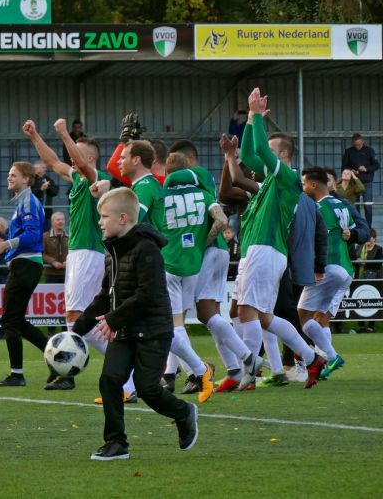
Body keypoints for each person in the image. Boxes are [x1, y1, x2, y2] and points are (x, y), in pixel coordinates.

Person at [73, 188, 198, 460]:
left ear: (122, 218)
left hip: (154, 331)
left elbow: (148, 293)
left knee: (147, 389)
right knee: (109, 380)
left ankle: (183, 412)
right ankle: (116, 443)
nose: (100, 222)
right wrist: (76, 331)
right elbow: (105, 297)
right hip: (126, 331)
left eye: (104, 216)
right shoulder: (112, 253)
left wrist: (113, 319)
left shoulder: (147, 248)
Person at [234, 87, 325, 389]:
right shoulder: (272, 180)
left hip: (266, 249)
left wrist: (257, 117)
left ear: (283, 155)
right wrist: (250, 119)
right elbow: (249, 153)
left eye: (272, 152)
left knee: (250, 311)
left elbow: (258, 149)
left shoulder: (287, 177)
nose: (264, 157)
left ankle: (250, 372)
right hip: (265, 251)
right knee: (260, 315)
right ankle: (309, 359)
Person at [24, 118, 111, 391]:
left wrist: (64, 134)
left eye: (77, 150)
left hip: (88, 253)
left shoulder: (96, 178)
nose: (72, 157)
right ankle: (125, 364)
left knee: (75, 315)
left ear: (91, 158)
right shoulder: (77, 178)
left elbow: (78, 163)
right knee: (82, 316)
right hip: (81, 254)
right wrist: (35, 137)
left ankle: (69, 373)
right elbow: (53, 163)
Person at [164, 140, 257, 395]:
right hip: (217, 250)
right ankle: (234, 369)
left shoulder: (195, 176)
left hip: (207, 248)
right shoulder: (203, 180)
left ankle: (245, 358)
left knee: (193, 314)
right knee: (204, 313)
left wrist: (197, 245)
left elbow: (215, 215)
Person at [0, 162, 47, 387]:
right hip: (25, 264)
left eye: (13, 175)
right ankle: (58, 356)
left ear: (26, 179)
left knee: (9, 319)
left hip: (26, 265)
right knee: (17, 320)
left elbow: (32, 234)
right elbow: (26, 236)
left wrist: (6, 244)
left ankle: (17, 374)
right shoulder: (23, 203)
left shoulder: (28, 202)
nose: (9, 178)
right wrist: (0, 245)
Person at [298, 167, 355, 380]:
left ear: (313, 185)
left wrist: (317, 268)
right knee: (320, 317)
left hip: (329, 268)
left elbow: (319, 238)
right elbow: (348, 231)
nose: (303, 188)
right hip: (346, 269)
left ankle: (330, 356)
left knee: (302, 317)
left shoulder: (318, 208)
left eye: (304, 184)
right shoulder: (342, 204)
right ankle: (328, 358)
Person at [341, 133, 379, 224]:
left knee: (368, 205)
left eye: (359, 144)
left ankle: (368, 227)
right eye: (356, 145)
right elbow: (344, 167)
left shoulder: (369, 151)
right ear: (353, 143)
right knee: (354, 205)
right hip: (353, 182)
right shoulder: (349, 152)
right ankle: (358, 225)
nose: (358, 146)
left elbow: (376, 165)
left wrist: (366, 169)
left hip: (367, 182)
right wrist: (351, 171)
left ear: (363, 142)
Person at [351, 228, 382, 332]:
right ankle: (360, 325)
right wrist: (357, 261)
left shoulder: (379, 249)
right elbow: (354, 258)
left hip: (373, 279)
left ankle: (370, 326)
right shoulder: (359, 247)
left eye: (370, 239)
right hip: (359, 278)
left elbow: (378, 264)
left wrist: (365, 262)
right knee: (358, 300)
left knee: (372, 301)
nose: (368, 242)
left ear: (374, 239)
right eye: (367, 239)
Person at [31, 161, 59, 231]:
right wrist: (41, 189)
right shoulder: (30, 180)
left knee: (46, 233)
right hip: (33, 212)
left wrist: (48, 187)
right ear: (36, 169)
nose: (45, 169)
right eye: (43, 167)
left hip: (47, 212)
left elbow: (54, 192)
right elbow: (29, 194)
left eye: (45, 168)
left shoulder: (48, 179)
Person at [42, 212, 68, 284]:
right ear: (52, 222)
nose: (61, 222)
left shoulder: (70, 237)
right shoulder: (45, 237)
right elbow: (42, 254)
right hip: (51, 274)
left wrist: (68, 261)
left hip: (67, 273)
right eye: (58, 220)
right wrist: (53, 262)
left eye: (62, 219)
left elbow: (73, 253)